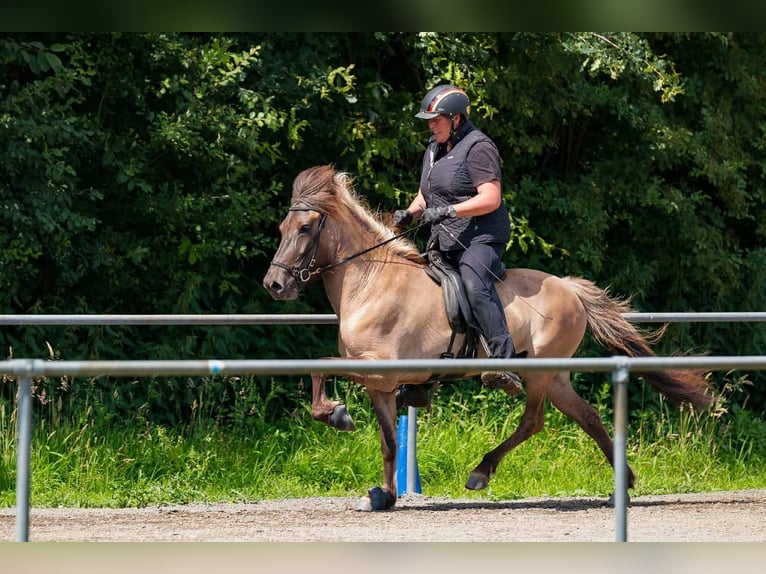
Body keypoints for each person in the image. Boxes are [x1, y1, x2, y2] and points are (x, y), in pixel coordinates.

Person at [394, 84, 523, 407]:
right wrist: (410, 213)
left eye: (436, 119)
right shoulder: (434, 148)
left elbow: (490, 198)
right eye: (430, 120)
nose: (431, 124)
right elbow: (427, 194)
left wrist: (451, 210)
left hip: (480, 237)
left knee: (474, 285)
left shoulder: (479, 147)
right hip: (445, 238)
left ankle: (505, 362)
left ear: (456, 118)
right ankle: (421, 380)